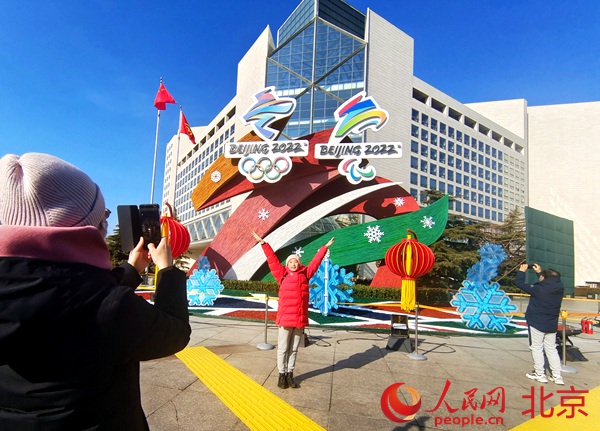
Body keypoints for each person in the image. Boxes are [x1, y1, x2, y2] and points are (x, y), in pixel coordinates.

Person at [0, 153, 191, 430]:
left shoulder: (97, 299)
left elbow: (78, 301)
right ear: (86, 226)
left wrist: (131, 270)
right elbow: (174, 333)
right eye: (103, 216)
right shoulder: (108, 305)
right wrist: (167, 270)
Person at [251, 231, 334, 389]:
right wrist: (263, 243)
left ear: (299, 263)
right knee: (283, 348)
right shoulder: (282, 274)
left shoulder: (305, 274)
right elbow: (272, 260)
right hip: (285, 319)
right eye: (291, 262)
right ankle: (281, 375)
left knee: (294, 349)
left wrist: (324, 248)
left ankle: (290, 374)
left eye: (296, 262)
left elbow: (315, 262)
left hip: (299, 319)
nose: (293, 264)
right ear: (287, 264)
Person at [515, 263, 565, 385]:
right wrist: (539, 273)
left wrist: (522, 271)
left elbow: (519, 283)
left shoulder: (539, 289)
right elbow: (547, 283)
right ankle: (557, 376)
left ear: (544, 278)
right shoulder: (559, 287)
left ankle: (540, 374)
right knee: (551, 348)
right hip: (551, 323)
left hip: (537, 321)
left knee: (536, 348)